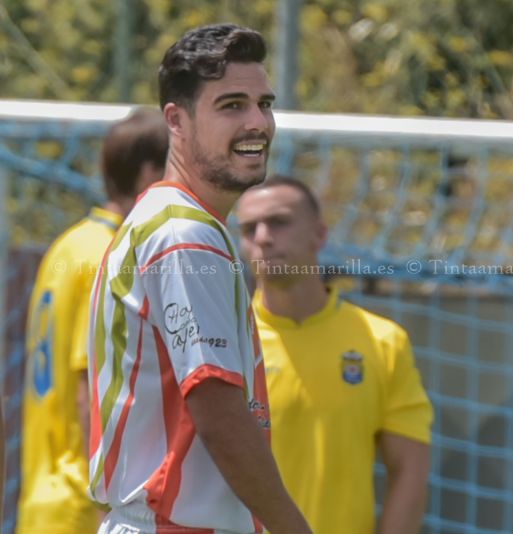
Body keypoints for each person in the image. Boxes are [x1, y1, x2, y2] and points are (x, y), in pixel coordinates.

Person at [87, 24, 310, 534]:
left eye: (264, 104)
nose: (257, 122)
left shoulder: (171, 220)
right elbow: (218, 410)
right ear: (176, 120)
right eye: (231, 105)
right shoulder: (183, 234)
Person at [237, 175, 434, 534]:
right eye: (249, 228)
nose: (263, 237)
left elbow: (409, 469)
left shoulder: (383, 342)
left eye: (279, 222)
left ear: (319, 234)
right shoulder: (224, 343)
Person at [18, 107, 169, 534]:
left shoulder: (70, 243)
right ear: (149, 176)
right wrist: (110, 505)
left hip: (45, 501)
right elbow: (92, 387)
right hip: (84, 509)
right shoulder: (111, 253)